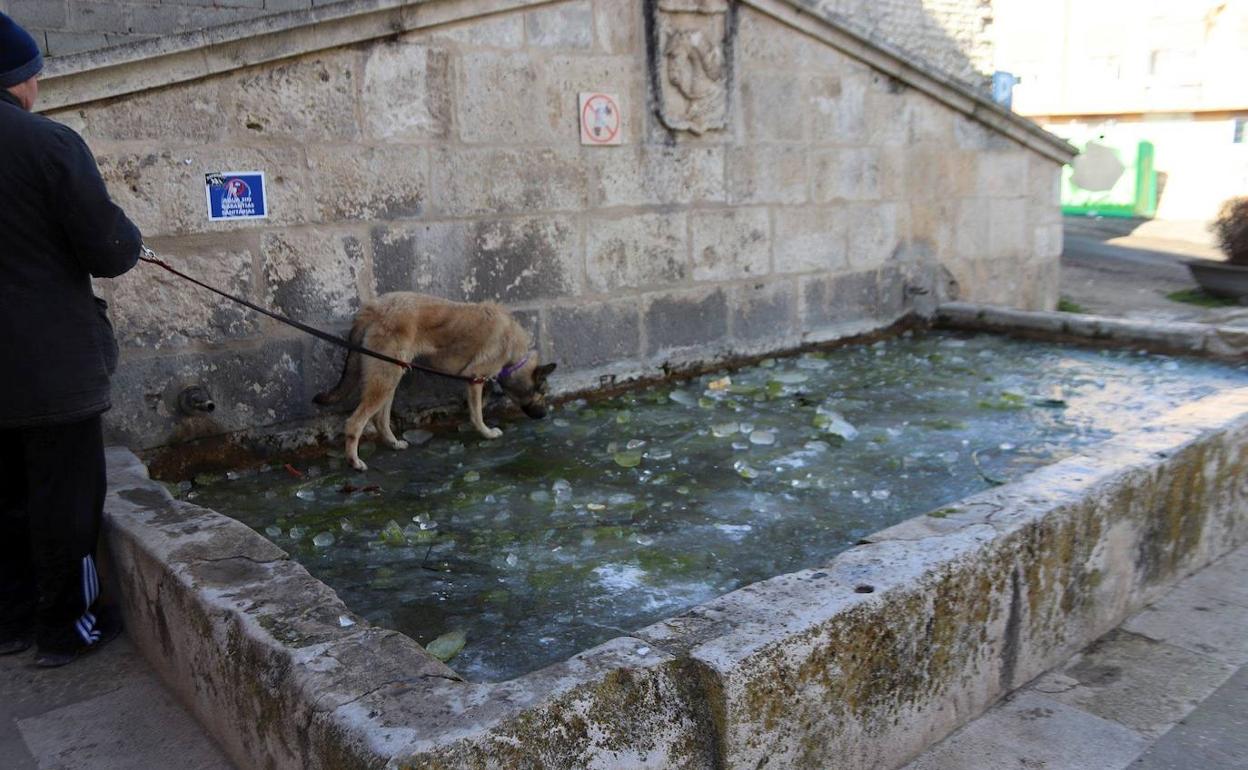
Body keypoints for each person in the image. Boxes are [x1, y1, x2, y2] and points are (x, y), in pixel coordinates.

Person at [0, 12, 143, 667]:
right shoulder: (49, 145)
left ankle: (10, 623)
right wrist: (130, 237)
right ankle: (68, 627)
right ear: (20, 80)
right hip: (47, 364)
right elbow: (108, 248)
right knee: (65, 500)